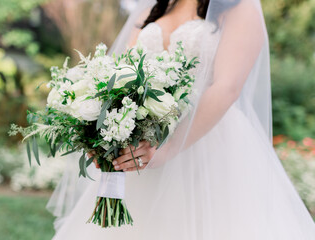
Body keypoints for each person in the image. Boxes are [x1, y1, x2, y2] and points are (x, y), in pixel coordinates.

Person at [47, 0, 315, 239]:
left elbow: (227, 87)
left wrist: (168, 147)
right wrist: (107, 139)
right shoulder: (158, 5)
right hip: (144, 144)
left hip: (210, 144)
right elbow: (121, 71)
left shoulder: (239, 6)